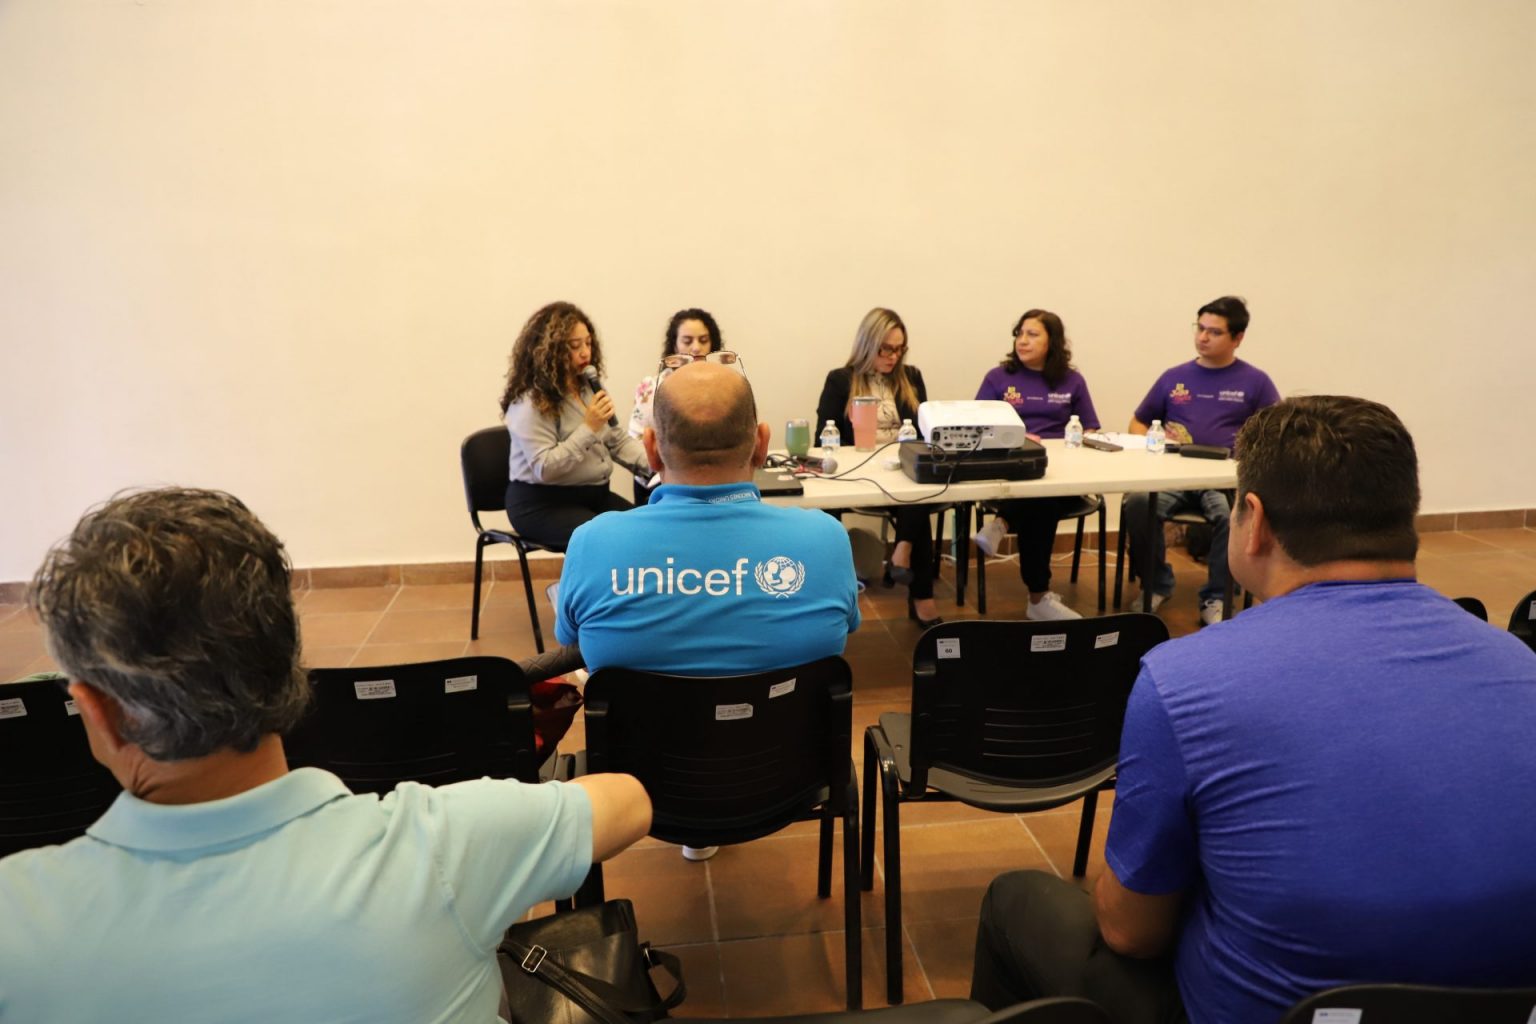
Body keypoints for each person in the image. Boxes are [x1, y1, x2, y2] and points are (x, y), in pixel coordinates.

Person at [970, 396, 1536, 1024]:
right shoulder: (1522, 664)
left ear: (1254, 520)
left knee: (1017, 901)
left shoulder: (1184, 680)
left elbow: (1131, 932)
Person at [0, 487, 652, 1023]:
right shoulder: (445, 844)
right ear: (288, 660)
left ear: (97, 712)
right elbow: (628, 802)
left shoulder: (17, 920)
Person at [558, 359, 861, 677]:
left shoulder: (593, 543)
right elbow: (848, 626)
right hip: (790, 711)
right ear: (761, 444)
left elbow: (569, 639)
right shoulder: (827, 539)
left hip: (637, 712)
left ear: (651, 449)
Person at [1123, 296, 1279, 625]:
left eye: (1215, 332)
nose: (1203, 337)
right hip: (1171, 476)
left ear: (1238, 338)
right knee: (1137, 504)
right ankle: (1156, 584)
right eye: (1200, 328)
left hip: (1222, 482)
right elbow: (1137, 422)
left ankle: (1216, 597)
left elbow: (1274, 435)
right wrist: (1152, 441)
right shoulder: (1173, 377)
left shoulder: (1256, 382)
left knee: (1229, 516)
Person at [972, 309, 1101, 620]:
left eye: (1032, 334)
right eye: (1020, 333)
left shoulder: (1072, 381)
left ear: (1052, 341)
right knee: (1040, 502)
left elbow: (1090, 429)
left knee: (1043, 497)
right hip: (1012, 470)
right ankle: (1038, 598)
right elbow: (977, 426)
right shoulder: (998, 378)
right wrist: (1018, 437)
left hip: (1062, 473)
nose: (1023, 340)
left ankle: (1001, 524)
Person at [815, 307, 941, 626]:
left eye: (900, 349)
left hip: (903, 468)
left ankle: (906, 557)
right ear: (868, 344)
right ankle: (912, 577)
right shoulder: (841, 380)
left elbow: (924, 434)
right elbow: (822, 438)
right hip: (858, 471)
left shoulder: (911, 378)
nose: (894, 356)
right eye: (886, 349)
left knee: (918, 484)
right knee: (916, 491)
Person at [501, 300, 648, 550]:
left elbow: (616, 440)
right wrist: (589, 428)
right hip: (542, 504)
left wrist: (658, 465)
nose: (585, 353)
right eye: (574, 346)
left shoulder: (588, 387)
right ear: (550, 350)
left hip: (594, 496)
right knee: (606, 540)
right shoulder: (529, 402)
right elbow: (545, 467)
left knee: (645, 532)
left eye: (588, 343)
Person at [626, 307, 729, 504]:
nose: (696, 348)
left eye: (703, 340)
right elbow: (635, 442)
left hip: (712, 481)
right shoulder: (652, 387)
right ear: (674, 345)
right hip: (660, 481)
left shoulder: (726, 386)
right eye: (687, 341)